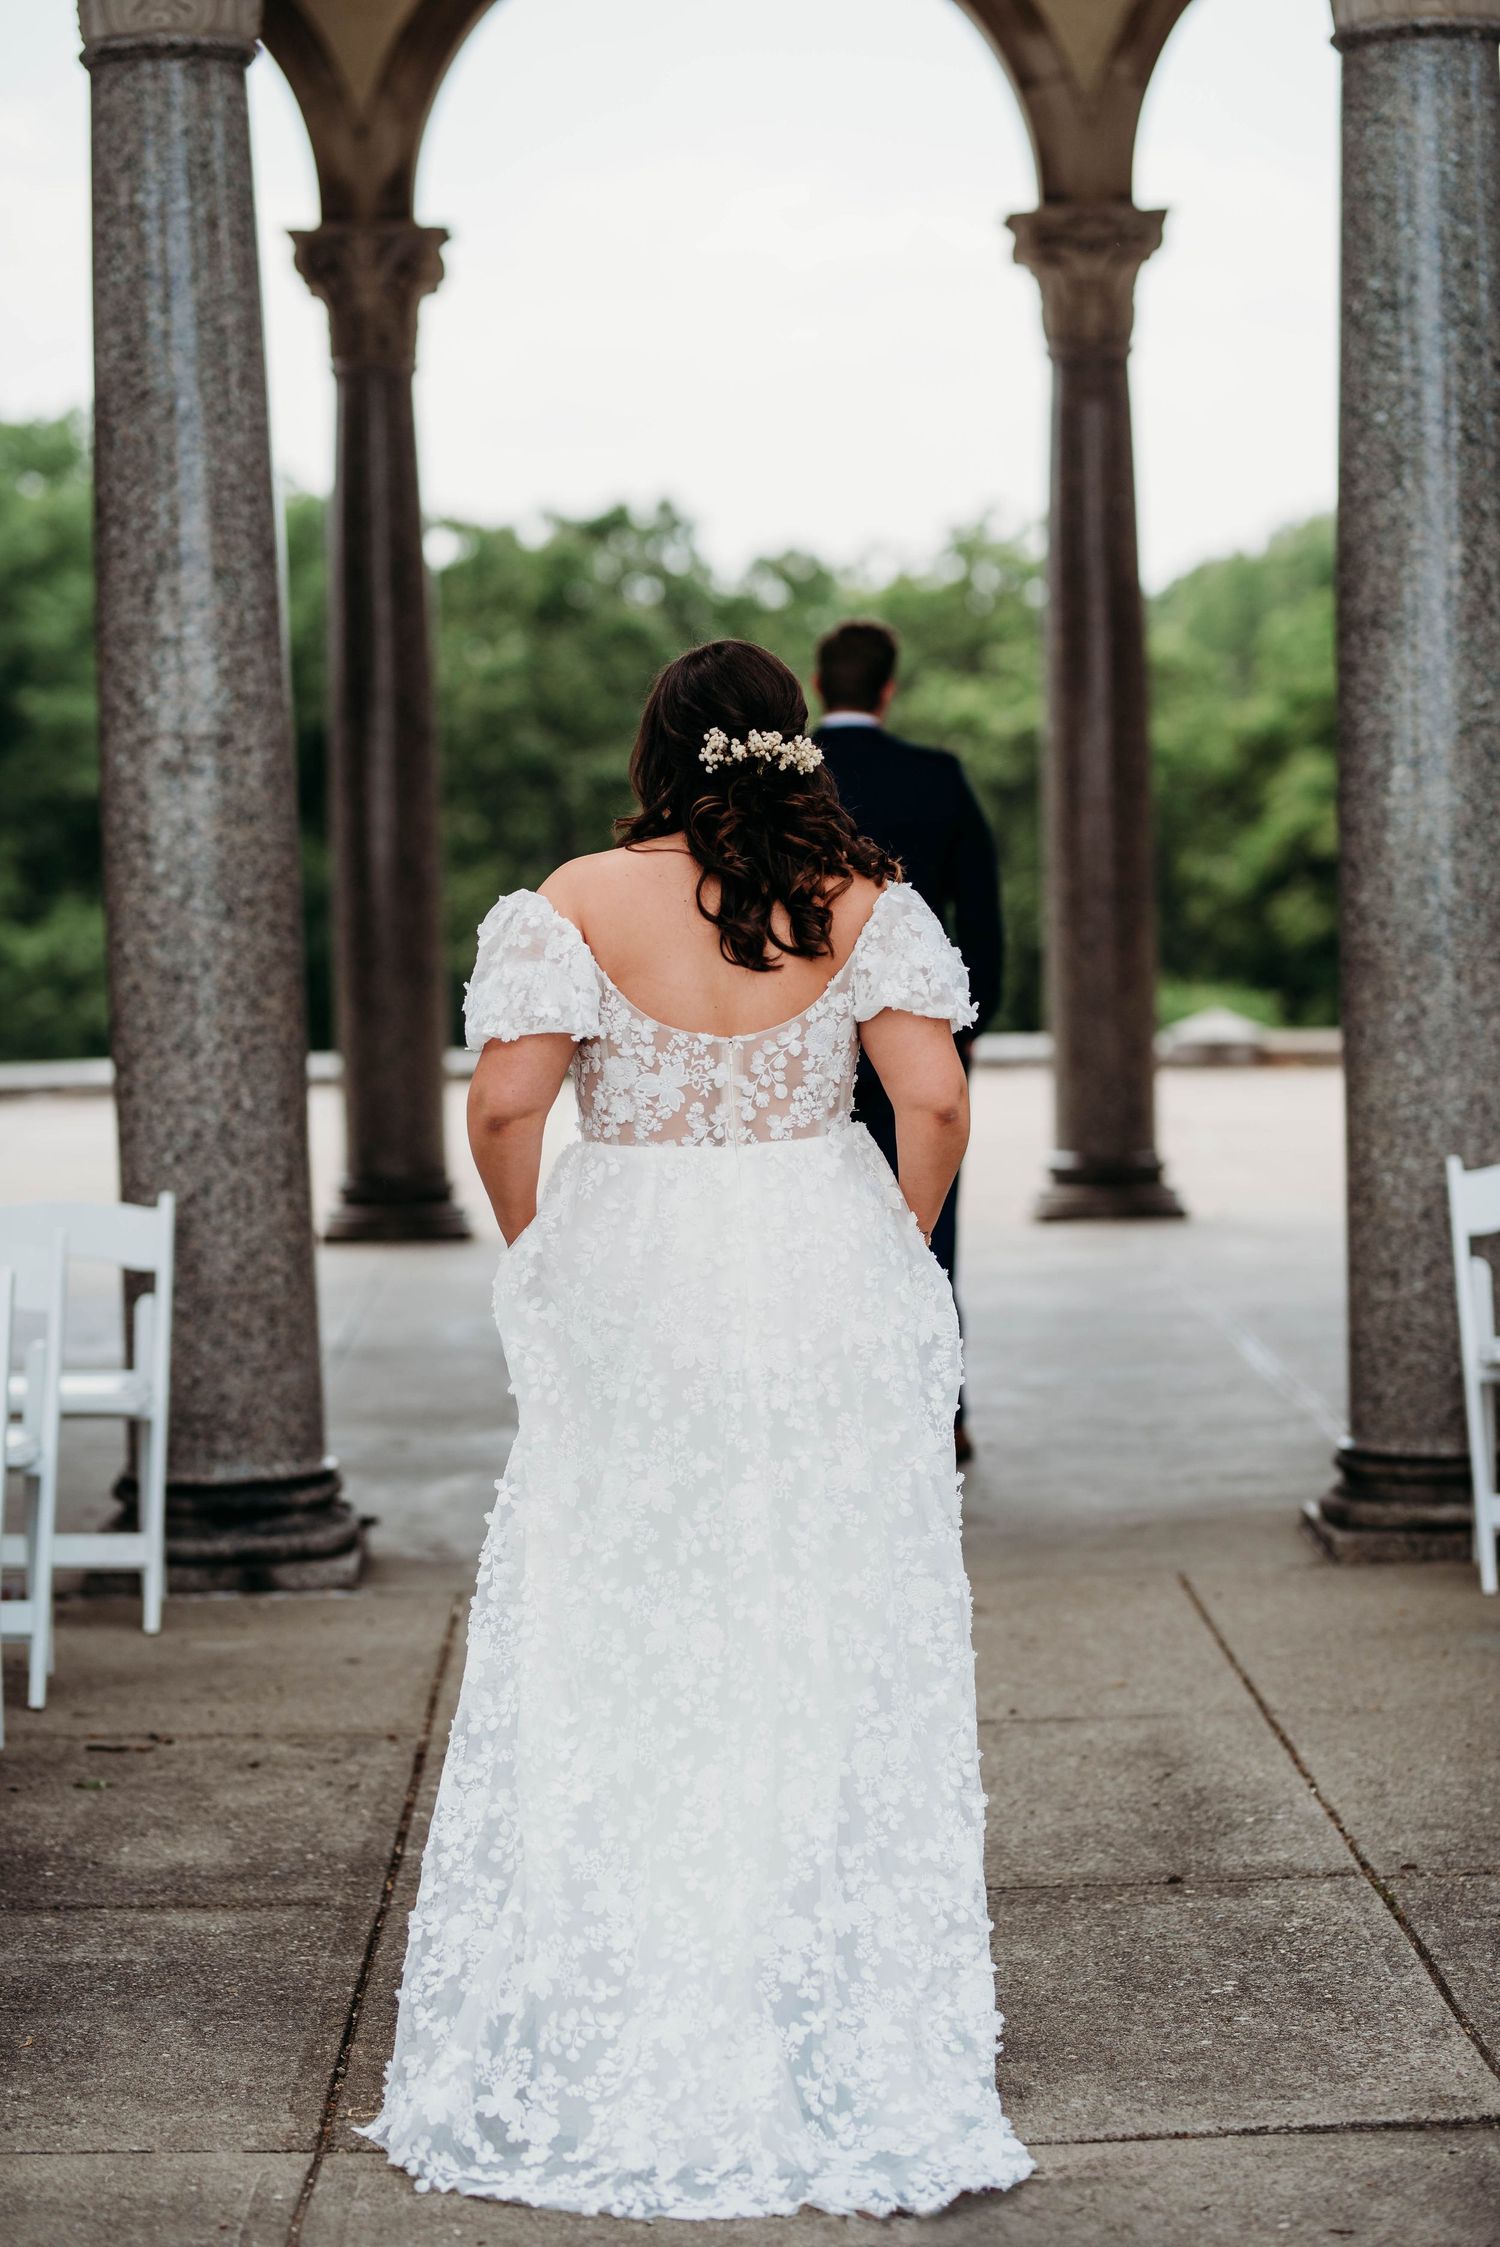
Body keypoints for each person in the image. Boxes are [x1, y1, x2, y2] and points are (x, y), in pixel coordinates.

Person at [361, 640, 1032, 2220]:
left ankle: (631, 1974)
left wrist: (538, 1244)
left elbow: (507, 1103)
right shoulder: (861, 896)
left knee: (626, 1612)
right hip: (815, 1256)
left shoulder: (578, 896)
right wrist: (896, 1224)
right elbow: (929, 1097)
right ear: (790, 748)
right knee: (815, 1613)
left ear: (659, 747)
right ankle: (807, 1990)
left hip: (638, 1272)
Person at [813, 620, 1003, 1461]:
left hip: (802, 1047)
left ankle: (826, 1397)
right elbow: (984, 922)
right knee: (927, 1227)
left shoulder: (790, 781)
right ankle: (938, 1405)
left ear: (820, 686)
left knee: (808, 1226)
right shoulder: (938, 779)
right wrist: (958, 1030)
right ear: (889, 689)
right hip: (915, 1046)